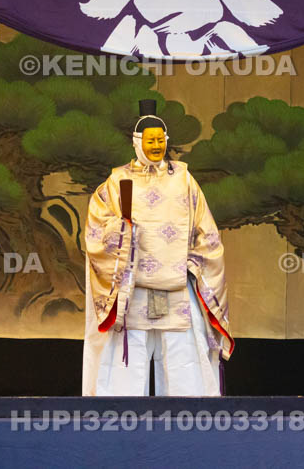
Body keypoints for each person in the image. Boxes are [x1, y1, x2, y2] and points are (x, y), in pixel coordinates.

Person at [82, 99, 233, 396]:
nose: (156, 145)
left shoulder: (185, 180)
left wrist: (193, 261)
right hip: (131, 290)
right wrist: (122, 234)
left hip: (177, 286)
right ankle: (119, 428)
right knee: (124, 369)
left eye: (160, 139)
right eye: (149, 140)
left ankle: (190, 426)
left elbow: (207, 232)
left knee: (186, 364)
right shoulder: (116, 182)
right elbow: (96, 232)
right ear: (136, 142)